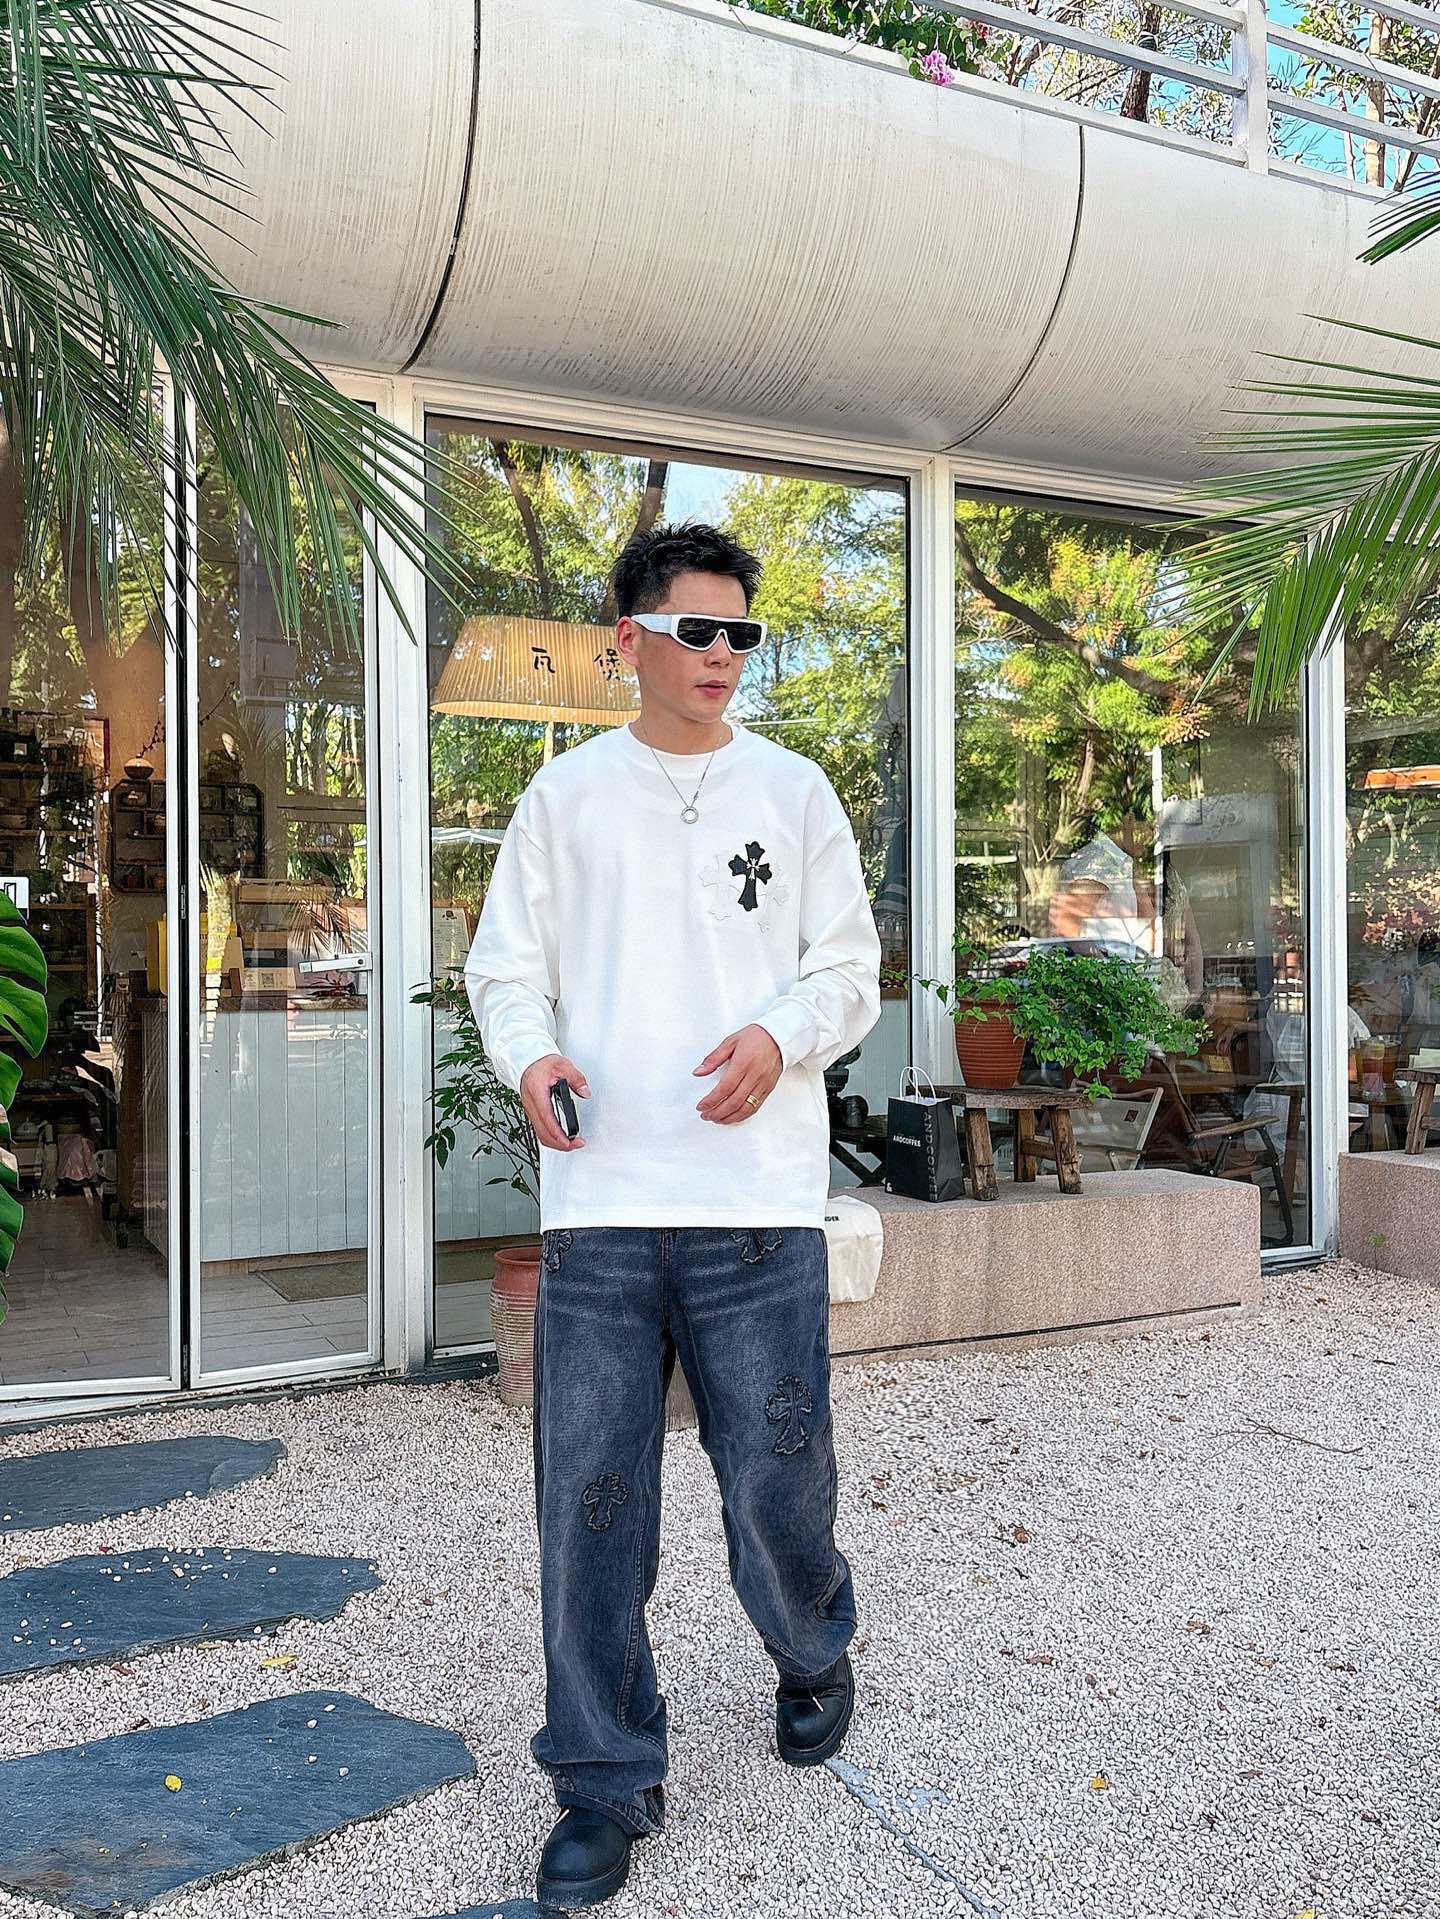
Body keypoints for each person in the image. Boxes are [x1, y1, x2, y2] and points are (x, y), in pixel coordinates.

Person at [464, 521, 882, 1910]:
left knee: (777, 1476)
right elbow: (504, 969)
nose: (720, 654)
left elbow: (849, 970)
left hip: (754, 1206)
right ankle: (601, 1777)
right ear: (628, 641)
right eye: (694, 630)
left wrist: (780, 1034)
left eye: (739, 633)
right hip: (601, 1209)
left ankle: (813, 1649)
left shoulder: (795, 790)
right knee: (588, 1501)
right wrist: (532, 1058)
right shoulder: (565, 797)